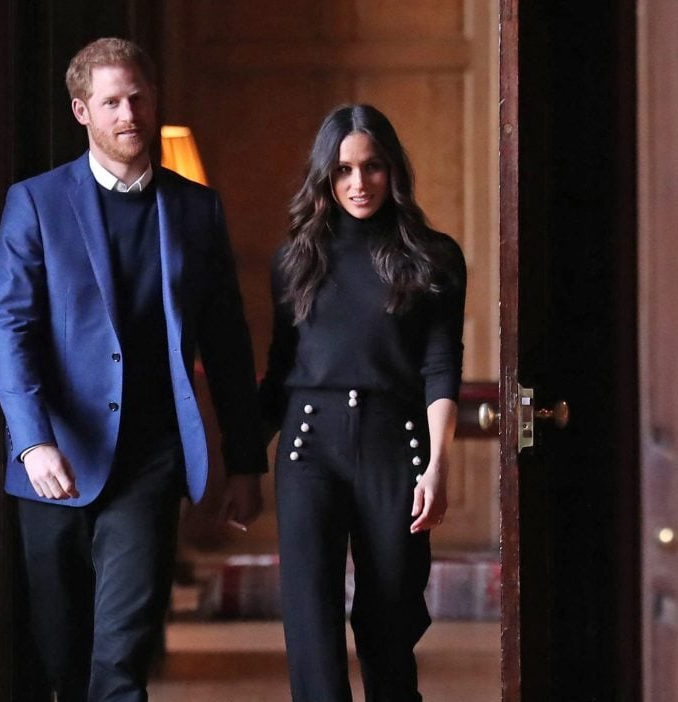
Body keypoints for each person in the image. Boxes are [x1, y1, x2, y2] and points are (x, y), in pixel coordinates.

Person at [0, 37, 267, 701]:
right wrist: (32, 440)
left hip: (150, 460)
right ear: (83, 111)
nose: (129, 112)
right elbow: (10, 328)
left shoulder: (198, 209)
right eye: (112, 100)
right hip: (55, 460)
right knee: (63, 661)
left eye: (138, 96)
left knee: (120, 665)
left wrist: (246, 461)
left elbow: (227, 344)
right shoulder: (35, 202)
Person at [259, 104, 467, 702]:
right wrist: (240, 460)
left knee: (389, 619)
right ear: (325, 176)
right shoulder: (295, 258)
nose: (358, 183)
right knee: (310, 622)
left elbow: (440, 366)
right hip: (308, 446)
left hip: (394, 444)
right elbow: (280, 371)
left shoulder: (434, 256)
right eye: (344, 169)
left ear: (392, 170)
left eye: (373, 167)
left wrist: (437, 466)